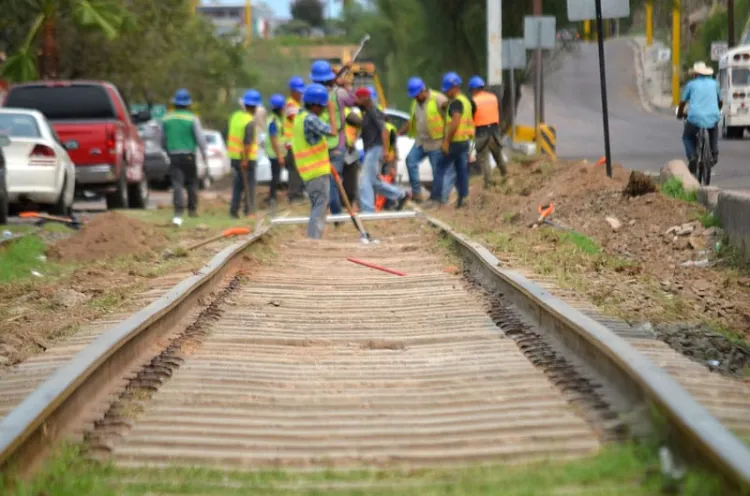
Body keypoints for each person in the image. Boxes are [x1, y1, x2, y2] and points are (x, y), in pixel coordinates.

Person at [309, 59, 358, 218]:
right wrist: (345, 84)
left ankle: (325, 212)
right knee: (334, 182)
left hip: (317, 145)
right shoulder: (339, 93)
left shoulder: (308, 94)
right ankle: (336, 215)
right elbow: (353, 100)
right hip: (337, 144)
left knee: (320, 181)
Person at [400, 77, 455, 204]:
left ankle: (440, 198)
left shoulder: (438, 99)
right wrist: (401, 132)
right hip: (421, 141)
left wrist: (448, 138)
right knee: (410, 161)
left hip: (436, 142)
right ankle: (417, 194)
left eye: (416, 95)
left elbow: (453, 115)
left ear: (423, 91)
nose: (415, 98)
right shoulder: (415, 103)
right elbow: (411, 120)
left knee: (437, 170)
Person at [292, 84, 336, 239]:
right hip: (316, 172)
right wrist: (332, 111)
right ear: (315, 105)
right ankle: (313, 240)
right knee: (319, 207)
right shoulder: (310, 119)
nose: (324, 109)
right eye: (322, 106)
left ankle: (314, 238)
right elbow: (332, 131)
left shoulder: (300, 117)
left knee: (318, 206)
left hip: (309, 172)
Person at [355, 87, 410, 213]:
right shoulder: (369, 112)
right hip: (372, 149)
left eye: (358, 98)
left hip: (375, 149)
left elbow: (384, 131)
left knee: (365, 181)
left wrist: (385, 150)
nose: (356, 102)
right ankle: (400, 194)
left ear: (365, 98)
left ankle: (367, 210)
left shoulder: (373, 111)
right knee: (374, 181)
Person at [161, 89, 208, 225]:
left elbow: (162, 139)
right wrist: (204, 154)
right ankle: (192, 210)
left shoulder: (166, 118)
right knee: (192, 182)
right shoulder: (192, 118)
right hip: (189, 155)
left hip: (173, 155)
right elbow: (200, 138)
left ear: (175, 103)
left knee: (177, 183)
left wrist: (167, 150)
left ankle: (178, 210)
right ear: (188, 104)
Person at [434, 72, 475, 208]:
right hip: (464, 141)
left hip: (455, 142)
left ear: (455, 87)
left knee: (440, 167)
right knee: (461, 170)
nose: (447, 93)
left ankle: (439, 198)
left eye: (448, 90)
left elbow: (456, 121)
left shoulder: (456, 103)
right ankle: (463, 198)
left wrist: (446, 141)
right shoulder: (466, 101)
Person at [677, 61, 722, 175]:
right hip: (712, 116)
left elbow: (682, 102)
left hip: (695, 117)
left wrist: (680, 114)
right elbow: (720, 101)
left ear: (695, 74)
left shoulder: (691, 84)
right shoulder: (714, 84)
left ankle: (692, 157)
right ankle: (714, 152)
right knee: (713, 129)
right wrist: (717, 110)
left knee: (687, 137)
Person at [227, 89, 261, 218]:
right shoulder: (250, 122)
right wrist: (246, 160)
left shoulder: (236, 116)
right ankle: (249, 211)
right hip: (246, 158)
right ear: (255, 107)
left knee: (238, 185)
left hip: (234, 156)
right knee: (249, 185)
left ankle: (233, 211)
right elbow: (247, 142)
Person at [468, 75, 507, 188]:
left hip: (481, 132)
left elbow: (471, 117)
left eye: (471, 90)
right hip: (494, 132)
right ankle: (506, 175)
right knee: (497, 155)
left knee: (484, 158)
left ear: (474, 89)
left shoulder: (473, 101)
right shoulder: (493, 97)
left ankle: (489, 183)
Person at [284, 76, 307, 204]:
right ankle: (294, 195)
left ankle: (299, 193)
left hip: (298, 144)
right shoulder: (291, 104)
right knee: (294, 171)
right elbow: (295, 118)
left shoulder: (298, 104)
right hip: (292, 144)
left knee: (299, 170)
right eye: (298, 92)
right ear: (292, 91)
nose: (300, 94)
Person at [266, 93, 286, 208]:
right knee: (275, 176)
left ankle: (274, 197)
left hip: (277, 152)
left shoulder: (277, 118)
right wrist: (279, 156)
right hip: (274, 154)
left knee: (277, 176)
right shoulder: (273, 121)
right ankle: (272, 199)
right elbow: (274, 140)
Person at [342, 106, 363, 206]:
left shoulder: (349, 111)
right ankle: (347, 200)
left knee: (350, 176)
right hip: (345, 147)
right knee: (349, 176)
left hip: (349, 148)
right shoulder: (347, 111)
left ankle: (348, 201)